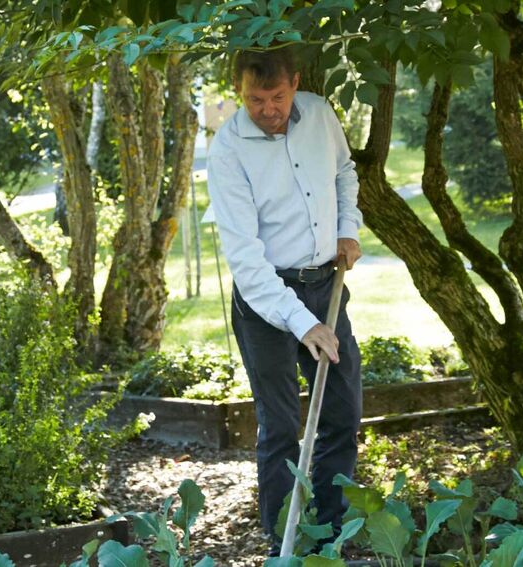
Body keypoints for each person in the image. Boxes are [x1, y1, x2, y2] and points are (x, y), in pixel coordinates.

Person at [205, 47, 364, 557]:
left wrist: (347, 229)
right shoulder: (228, 150)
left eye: (276, 96)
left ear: (295, 83)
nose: (268, 109)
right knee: (280, 426)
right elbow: (247, 263)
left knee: (342, 412)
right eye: (255, 99)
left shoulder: (319, 114)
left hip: (326, 286)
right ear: (239, 91)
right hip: (266, 299)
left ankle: (331, 531)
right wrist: (303, 323)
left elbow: (343, 173)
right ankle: (284, 538)